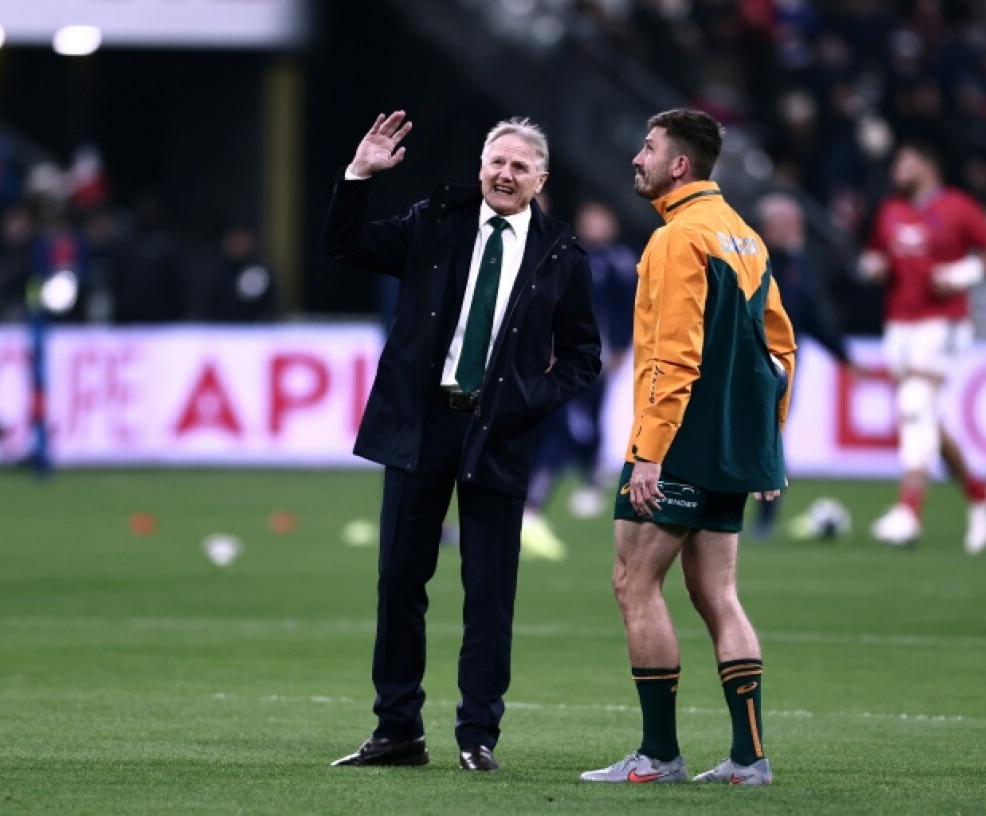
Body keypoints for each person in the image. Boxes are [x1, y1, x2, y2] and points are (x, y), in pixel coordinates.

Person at [324, 111, 601, 773]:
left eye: (519, 166)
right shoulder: (435, 222)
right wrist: (358, 175)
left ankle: (477, 735)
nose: (504, 174)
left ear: (541, 180)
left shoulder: (561, 254)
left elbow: (583, 355)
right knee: (398, 579)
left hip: (497, 432)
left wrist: (523, 402)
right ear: (481, 167)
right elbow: (347, 244)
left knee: (489, 590)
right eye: (496, 162)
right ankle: (397, 731)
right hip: (423, 425)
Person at [578, 109, 796, 787]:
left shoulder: (678, 241)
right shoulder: (745, 237)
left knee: (634, 582)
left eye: (647, 148)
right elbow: (781, 348)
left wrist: (649, 453)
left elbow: (673, 359)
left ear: (680, 165)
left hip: (678, 443)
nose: (636, 158)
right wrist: (767, 439)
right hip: (732, 446)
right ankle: (748, 758)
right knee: (717, 593)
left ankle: (659, 754)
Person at [860, 142, 986, 554]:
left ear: (927, 167)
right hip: (899, 324)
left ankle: (908, 512)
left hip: (943, 322)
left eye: (904, 162)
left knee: (914, 406)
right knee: (925, 418)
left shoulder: (958, 207)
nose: (897, 169)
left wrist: (965, 272)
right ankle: (983, 496)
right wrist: (875, 267)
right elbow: (876, 255)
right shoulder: (891, 209)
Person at [521, 200, 639, 559]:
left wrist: (618, 347)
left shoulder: (616, 260)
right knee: (563, 429)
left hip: (586, 359)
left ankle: (538, 505)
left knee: (577, 425)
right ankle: (531, 507)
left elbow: (625, 307)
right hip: (552, 358)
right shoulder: (564, 252)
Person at [750, 192, 860, 539]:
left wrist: (844, 357)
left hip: (780, 369)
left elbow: (813, 317)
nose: (797, 229)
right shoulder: (750, 262)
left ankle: (765, 517)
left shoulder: (798, 267)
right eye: (789, 223)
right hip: (743, 363)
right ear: (769, 227)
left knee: (768, 441)